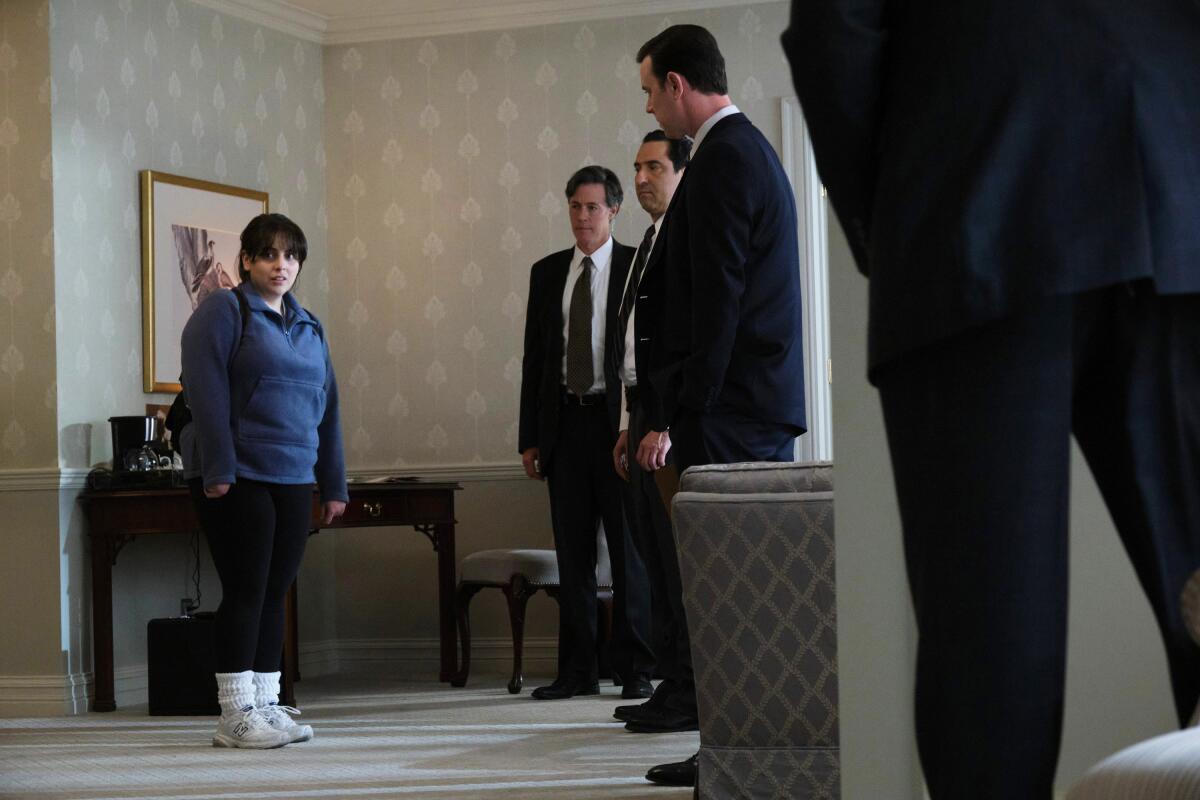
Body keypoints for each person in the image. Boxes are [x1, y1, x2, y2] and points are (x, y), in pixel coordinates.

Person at [783, 2, 1200, 797]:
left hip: (971, 192)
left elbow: (837, 28)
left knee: (989, 671)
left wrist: (899, 221)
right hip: (1176, 174)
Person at [634, 24, 808, 788]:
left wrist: (678, 414)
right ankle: (729, 749)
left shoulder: (727, 157)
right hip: (743, 406)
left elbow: (720, 302)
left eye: (649, 89)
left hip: (730, 411)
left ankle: (736, 754)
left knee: (731, 595)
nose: (649, 103)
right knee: (731, 592)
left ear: (678, 85)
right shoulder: (739, 154)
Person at [180, 213, 347, 749]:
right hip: (238, 474)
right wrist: (220, 469)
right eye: (269, 254)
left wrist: (335, 483)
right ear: (246, 260)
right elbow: (205, 395)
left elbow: (328, 408)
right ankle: (234, 714)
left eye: (291, 256)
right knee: (248, 589)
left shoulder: (308, 325)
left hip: (294, 474)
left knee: (276, 591)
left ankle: (267, 704)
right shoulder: (223, 313)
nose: (281, 265)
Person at [518, 166, 655, 702]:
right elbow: (535, 360)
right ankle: (576, 672)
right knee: (573, 556)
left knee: (628, 555)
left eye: (593, 207)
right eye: (575, 206)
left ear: (614, 210)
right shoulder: (547, 272)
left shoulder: (632, 266)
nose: (582, 216)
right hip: (564, 426)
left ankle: (635, 669)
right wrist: (531, 436)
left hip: (616, 425)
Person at [608, 131, 692, 730]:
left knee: (676, 558)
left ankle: (692, 690)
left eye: (654, 167)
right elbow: (632, 345)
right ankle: (670, 682)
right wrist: (625, 422)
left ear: (682, 171)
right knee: (650, 560)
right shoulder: (644, 244)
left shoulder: (685, 236)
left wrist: (661, 422)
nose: (641, 178)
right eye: (636, 167)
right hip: (637, 413)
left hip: (670, 419)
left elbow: (684, 343)